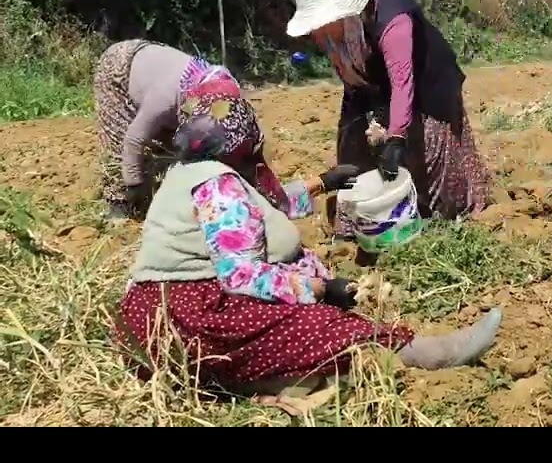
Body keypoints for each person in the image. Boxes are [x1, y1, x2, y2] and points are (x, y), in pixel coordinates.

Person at [113, 64, 502, 394]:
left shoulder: (189, 172)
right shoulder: (220, 185)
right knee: (312, 326)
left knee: (294, 306)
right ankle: (417, 353)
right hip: (184, 319)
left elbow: (266, 205)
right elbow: (241, 274)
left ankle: (265, 376)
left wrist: (325, 182)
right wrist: (317, 289)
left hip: (148, 319)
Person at [285, 0, 493, 227]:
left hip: (429, 83)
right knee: (353, 148)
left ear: (338, 13)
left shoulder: (393, 20)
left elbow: (402, 83)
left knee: (427, 153)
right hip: (374, 86)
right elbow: (352, 82)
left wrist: (395, 138)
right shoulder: (331, 37)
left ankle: (440, 220)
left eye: (319, 24)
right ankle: (361, 222)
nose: (316, 33)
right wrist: (353, 129)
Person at [92, 39, 214, 221]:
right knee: (119, 139)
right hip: (119, 66)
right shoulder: (165, 101)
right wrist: (133, 184)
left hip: (154, 59)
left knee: (173, 144)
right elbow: (133, 140)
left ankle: (169, 191)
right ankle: (120, 202)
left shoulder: (218, 93)